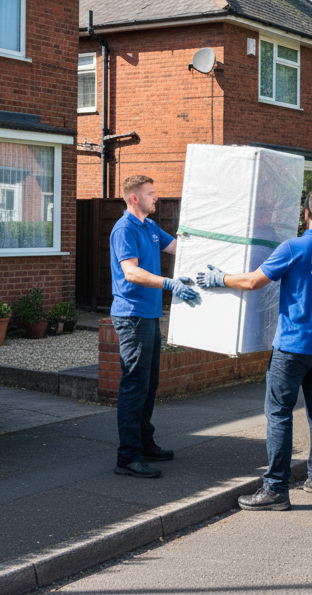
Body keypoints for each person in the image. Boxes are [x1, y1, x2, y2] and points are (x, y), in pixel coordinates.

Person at [195, 188, 312, 511]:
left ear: (305, 214)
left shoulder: (294, 247)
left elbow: (254, 281)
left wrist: (219, 278)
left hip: (292, 347)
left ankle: (276, 488)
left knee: (279, 413)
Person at [109, 174, 200, 479]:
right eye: (150, 193)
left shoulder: (149, 227)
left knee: (149, 385)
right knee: (134, 386)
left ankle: (144, 444)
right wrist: (168, 283)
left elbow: (178, 248)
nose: (156, 197)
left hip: (148, 315)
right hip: (132, 316)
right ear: (134, 198)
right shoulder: (125, 229)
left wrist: (205, 242)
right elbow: (131, 273)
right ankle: (128, 457)